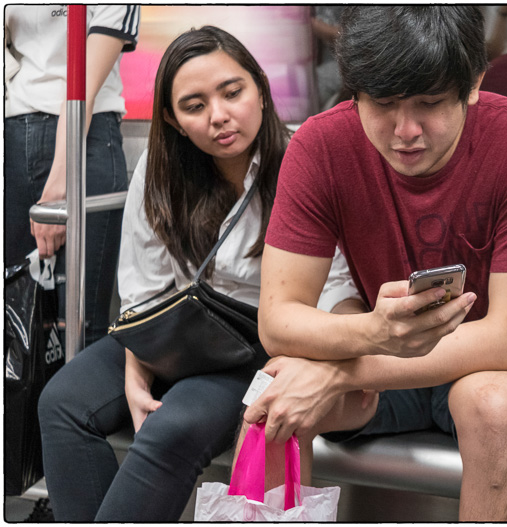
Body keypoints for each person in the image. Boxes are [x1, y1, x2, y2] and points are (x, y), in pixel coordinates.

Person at [238, 6, 507, 522]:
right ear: (355, 93)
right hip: (382, 348)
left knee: (490, 404)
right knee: (271, 400)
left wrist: (338, 374)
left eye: (429, 102)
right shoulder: (319, 146)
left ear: (474, 83)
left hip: (503, 360)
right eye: (384, 103)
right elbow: (279, 321)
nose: (405, 130)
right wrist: (373, 334)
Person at [37, 26, 359, 522]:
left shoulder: (305, 161)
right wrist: (138, 366)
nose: (219, 117)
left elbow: (337, 285)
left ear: (260, 87)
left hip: (265, 342)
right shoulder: (160, 169)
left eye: (232, 93)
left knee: (174, 425)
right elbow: (143, 290)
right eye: (194, 106)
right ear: (172, 118)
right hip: (181, 329)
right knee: (62, 402)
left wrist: (338, 351)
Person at [4, 5, 140, 346]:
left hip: (86, 135)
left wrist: (58, 185)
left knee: (81, 325)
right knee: (19, 323)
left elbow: (83, 88)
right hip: (16, 135)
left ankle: (70, 399)